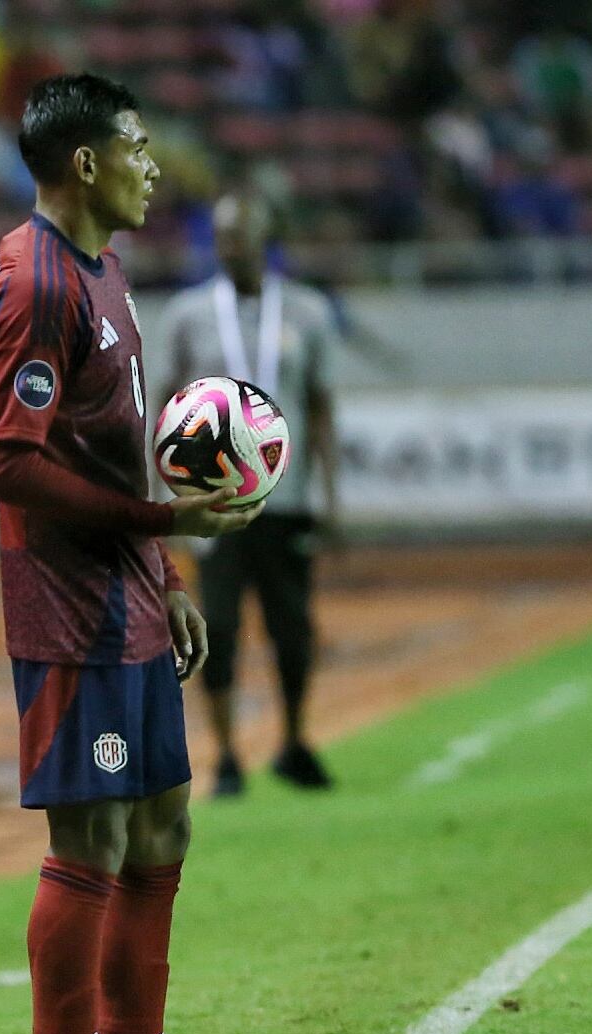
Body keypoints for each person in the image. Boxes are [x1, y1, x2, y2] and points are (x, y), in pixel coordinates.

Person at [0, 74, 266, 1034]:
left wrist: (168, 567)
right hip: (66, 611)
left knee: (161, 828)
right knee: (89, 840)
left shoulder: (106, 273)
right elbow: (7, 462)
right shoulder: (33, 281)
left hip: (129, 597)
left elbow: (114, 445)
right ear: (85, 163)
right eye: (137, 147)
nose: (155, 165)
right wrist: (155, 521)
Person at [155, 191, 341, 799]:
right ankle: (228, 754)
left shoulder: (308, 312)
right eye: (224, 235)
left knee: (293, 627)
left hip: (286, 504)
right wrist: (164, 493)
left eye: (243, 234)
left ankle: (294, 741)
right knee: (220, 625)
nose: (232, 246)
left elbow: (320, 407)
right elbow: (163, 405)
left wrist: (332, 497)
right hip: (212, 506)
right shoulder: (189, 313)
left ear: (268, 238)